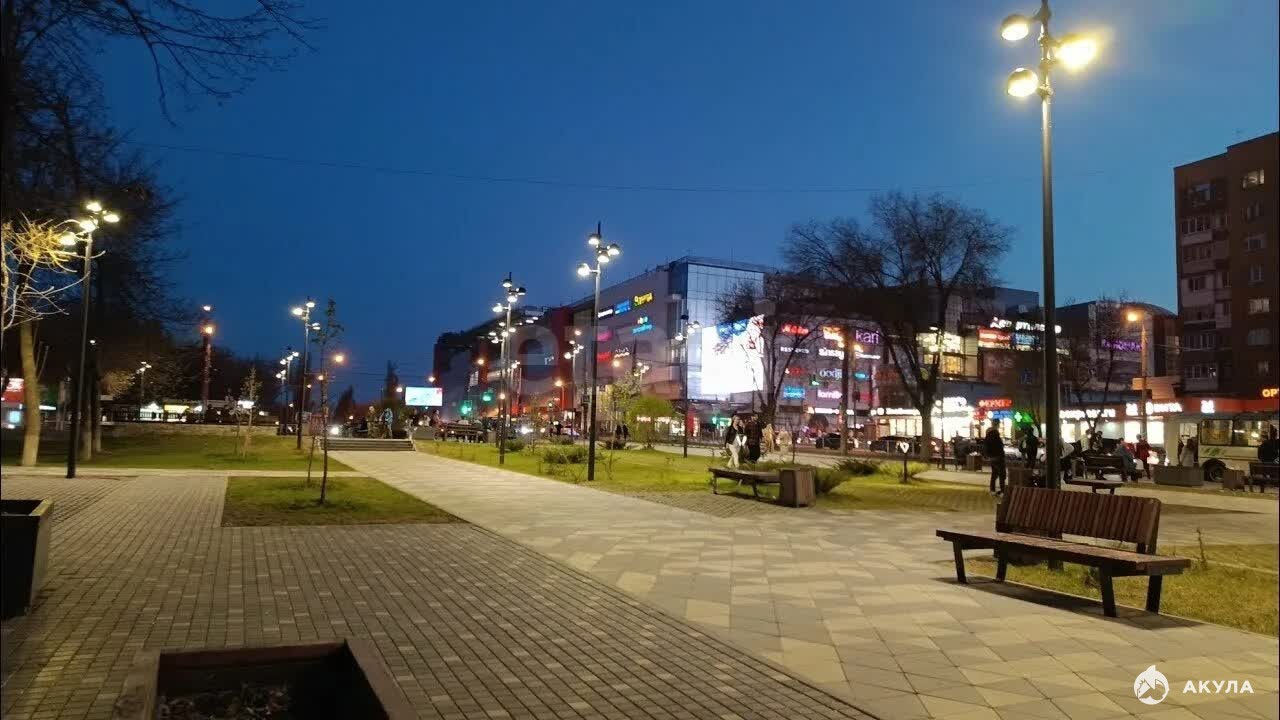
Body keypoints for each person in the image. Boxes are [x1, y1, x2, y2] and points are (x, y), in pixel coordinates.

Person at [983, 423, 1006, 494]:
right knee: (1002, 474)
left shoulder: (987, 439)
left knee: (994, 474)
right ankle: (1002, 490)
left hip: (992, 458)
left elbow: (985, 448)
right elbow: (1000, 448)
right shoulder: (997, 438)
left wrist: (987, 455)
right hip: (999, 457)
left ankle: (992, 489)